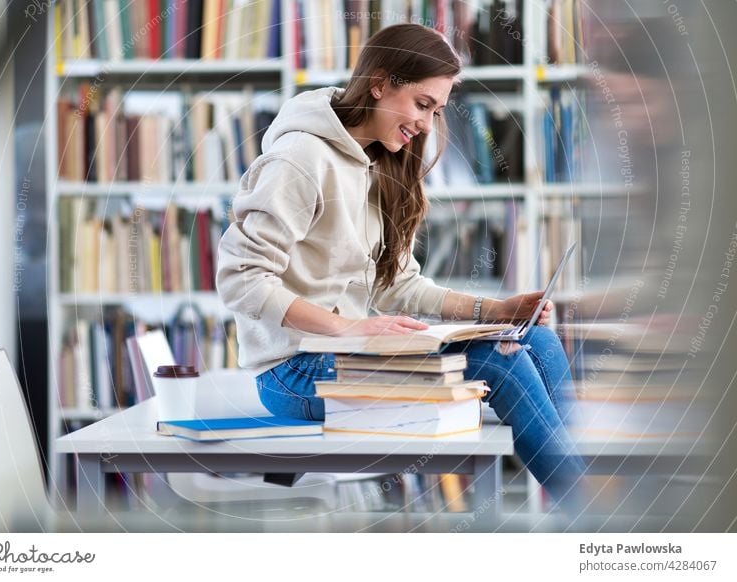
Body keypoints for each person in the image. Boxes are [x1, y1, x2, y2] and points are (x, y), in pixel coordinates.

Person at [216, 23, 586, 511]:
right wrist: (351, 330)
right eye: (422, 104)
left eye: (436, 110)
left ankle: (589, 488)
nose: (429, 125)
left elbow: (400, 284)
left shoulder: (381, 158)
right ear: (380, 82)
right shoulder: (300, 159)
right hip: (295, 372)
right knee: (500, 360)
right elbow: (240, 279)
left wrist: (497, 308)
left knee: (530, 337)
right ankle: (593, 513)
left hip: (346, 357)